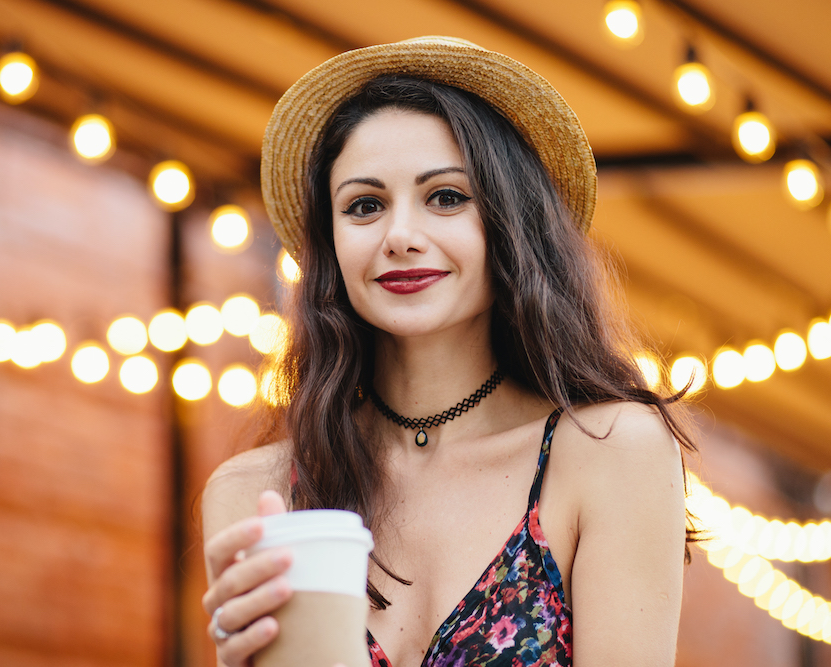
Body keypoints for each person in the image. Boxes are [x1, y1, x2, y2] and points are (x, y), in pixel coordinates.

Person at [201, 36, 693, 667]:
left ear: (511, 224)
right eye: (364, 206)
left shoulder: (609, 451)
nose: (400, 235)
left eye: (446, 197)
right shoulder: (256, 492)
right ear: (331, 246)